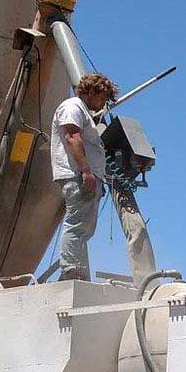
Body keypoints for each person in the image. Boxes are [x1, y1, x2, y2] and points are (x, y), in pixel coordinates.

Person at [50, 71, 117, 280]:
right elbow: (72, 137)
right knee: (77, 224)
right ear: (92, 91)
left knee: (84, 227)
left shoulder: (83, 112)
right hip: (77, 175)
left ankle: (76, 270)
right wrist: (86, 171)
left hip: (86, 176)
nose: (102, 104)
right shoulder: (72, 107)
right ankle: (71, 271)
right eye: (102, 98)